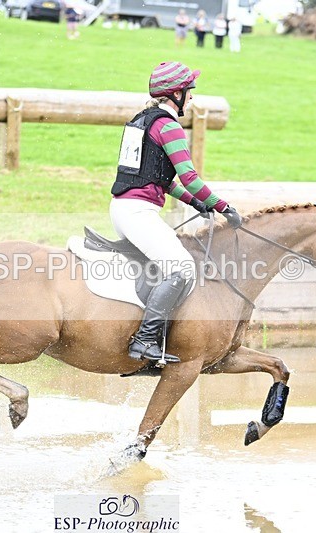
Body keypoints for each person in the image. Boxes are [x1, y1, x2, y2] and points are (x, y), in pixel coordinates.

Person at [111, 62, 241, 363]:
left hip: (124, 209)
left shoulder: (142, 121)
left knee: (162, 269)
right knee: (182, 268)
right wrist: (224, 207)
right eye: (189, 92)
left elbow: (158, 179)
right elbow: (190, 178)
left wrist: (196, 202)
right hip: (137, 213)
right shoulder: (168, 126)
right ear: (176, 95)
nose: (192, 98)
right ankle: (144, 340)